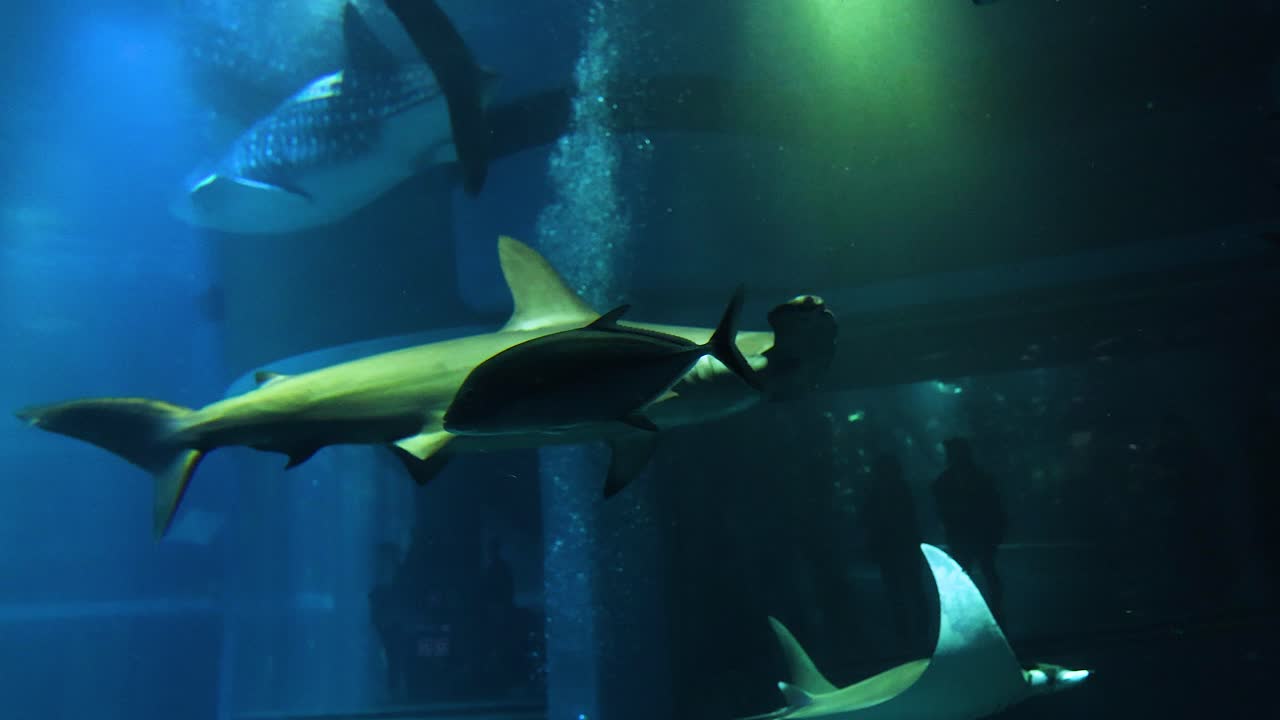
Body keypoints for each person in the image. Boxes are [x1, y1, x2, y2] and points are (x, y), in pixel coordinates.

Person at [931, 437, 1007, 622]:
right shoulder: (978, 477)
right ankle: (993, 610)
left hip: (967, 534)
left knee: (970, 572)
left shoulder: (946, 480)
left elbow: (942, 507)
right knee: (985, 571)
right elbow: (994, 505)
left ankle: (975, 611)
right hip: (975, 533)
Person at [863, 453, 930, 644]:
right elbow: (913, 517)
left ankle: (906, 630)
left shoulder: (876, 492)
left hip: (891, 547)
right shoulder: (901, 489)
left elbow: (868, 520)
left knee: (898, 589)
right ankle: (918, 628)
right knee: (910, 587)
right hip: (901, 545)